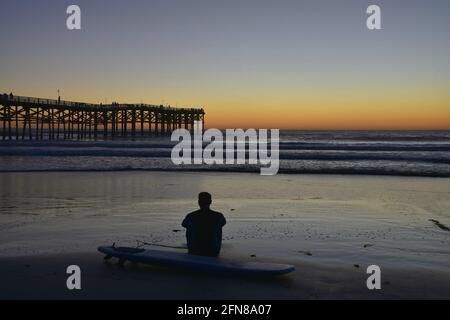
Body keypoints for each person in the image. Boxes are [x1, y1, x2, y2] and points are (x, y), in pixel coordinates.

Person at [182, 192, 226, 257]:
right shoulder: (219, 216)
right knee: (217, 226)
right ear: (210, 202)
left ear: (198, 202)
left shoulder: (191, 216)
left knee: (190, 226)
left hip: (194, 251)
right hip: (213, 251)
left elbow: (184, 224)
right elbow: (223, 223)